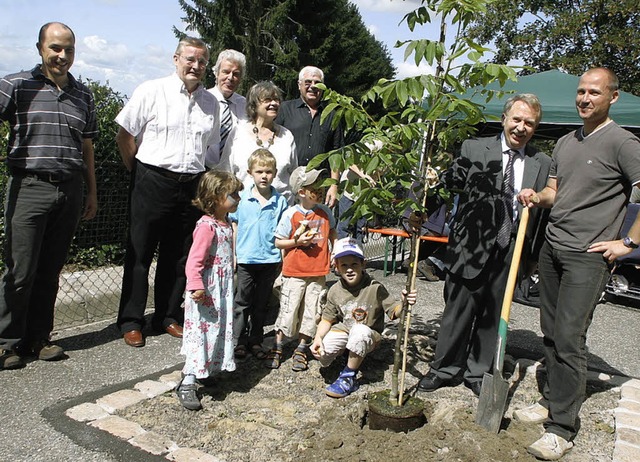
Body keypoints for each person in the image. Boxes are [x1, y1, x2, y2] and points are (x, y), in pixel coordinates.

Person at [516, 68, 640, 460]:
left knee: (570, 337)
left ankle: (562, 427)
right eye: (581, 92)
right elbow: (556, 191)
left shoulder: (624, 143)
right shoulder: (567, 142)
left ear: (613, 97)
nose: (585, 98)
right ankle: (552, 400)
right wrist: (538, 196)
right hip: (553, 248)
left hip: (589, 257)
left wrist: (629, 242)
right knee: (550, 331)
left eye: (594, 92)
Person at [417, 94, 551, 397]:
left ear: (535, 128)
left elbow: (543, 215)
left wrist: (532, 257)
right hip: (471, 246)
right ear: (504, 118)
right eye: (516, 119)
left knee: (494, 312)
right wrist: (419, 211)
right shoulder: (475, 148)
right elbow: (448, 185)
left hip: (511, 247)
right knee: (458, 310)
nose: (520, 127)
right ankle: (444, 368)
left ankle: (478, 371)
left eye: (529, 123)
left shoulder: (541, 163)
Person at [0, 22, 98, 369]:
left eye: (68, 49)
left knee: (50, 270)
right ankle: (6, 342)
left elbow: (86, 147)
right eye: (55, 48)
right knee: (20, 269)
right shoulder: (16, 85)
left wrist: (91, 193)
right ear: (40, 48)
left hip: (70, 190)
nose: (62, 55)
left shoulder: (83, 95)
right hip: (30, 187)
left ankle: (38, 339)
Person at [115, 37, 220, 347]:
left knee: (180, 255)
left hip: (191, 183)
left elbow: (209, 147)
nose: (196, 66)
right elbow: (124, 135)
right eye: (190, 59)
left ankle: (167, 316)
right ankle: (132, 320)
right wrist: (137, 172)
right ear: (176, 59)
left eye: (202, 62)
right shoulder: (151, 90)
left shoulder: (210, 102)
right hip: (152, 178)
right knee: (140, 252)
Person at [310, 238, 417, 398]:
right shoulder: (334, 290)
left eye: (354, 264)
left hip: (367, 334)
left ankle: (349, 376)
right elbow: (327, 319)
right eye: (344, 265)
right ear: (336, 267)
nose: (350, 269)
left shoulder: (375, 287)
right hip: (344, 330)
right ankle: (347, 354)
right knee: (324, 355)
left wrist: (404, 302)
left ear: (363, 264)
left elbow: (394, 311)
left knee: (359, 332)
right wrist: (318, 338)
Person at [176, 170, 243, 411]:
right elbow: (194, 260)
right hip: (207, 289)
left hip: (221, 290)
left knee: (216, 329)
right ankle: (188, 380)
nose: (237, 198)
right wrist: (195, 284)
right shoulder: (206, 226)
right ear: (216, 197)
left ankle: (207, 369)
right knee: (201, 333)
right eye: (232, 194)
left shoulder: (226, 224)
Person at [266, 166, 337, 371]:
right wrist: (297, 242)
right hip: (294, 271)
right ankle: (278, 345)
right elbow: (279, 242)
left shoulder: (325, 212)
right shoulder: (291, 214)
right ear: (301, 192)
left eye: (321, 184)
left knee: (312, 311)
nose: (320, 189)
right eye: (314, 186)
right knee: (289, 309)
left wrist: (335, 249)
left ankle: (302, 347)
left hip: (318, 272)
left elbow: (332, 232)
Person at [228, 149, 288, 358]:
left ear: (275, 173)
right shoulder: (242, 199)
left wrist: (282, 258)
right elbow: (234, 226)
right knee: (242, 302)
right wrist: (234, 254)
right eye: (259, 171)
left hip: (270, 259)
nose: (264, 176)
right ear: (250, 173)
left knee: (261, 303)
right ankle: (238, 341)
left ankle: (256, 339)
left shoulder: (280, 201)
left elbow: (283, 232)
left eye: (269, 172)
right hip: (246, 258)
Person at [275, 66, 343, 207]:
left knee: (318, 227)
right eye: (308, 82)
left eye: (317, 83)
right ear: (299, 85)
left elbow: (336, 153)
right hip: (287, 184)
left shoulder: (332, 114)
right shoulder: (285, 110)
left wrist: (334, 185)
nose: (313, 87)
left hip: (319, 187)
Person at [219, 81, 297, 203]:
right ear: (254, 105)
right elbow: (226, 172)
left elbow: (293, 175)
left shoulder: (286, 136)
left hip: (280, 212)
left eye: (276, 100)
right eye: (267, 99)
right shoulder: (238, 133)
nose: (273, 103)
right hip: (243, 210)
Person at [207, 49, 247, 164]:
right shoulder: (203, 100)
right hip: (203, 171)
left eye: (236, 74)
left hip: (233, 172)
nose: (230, 78)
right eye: (226, 72)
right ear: (217, 73)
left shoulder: (245, 106)